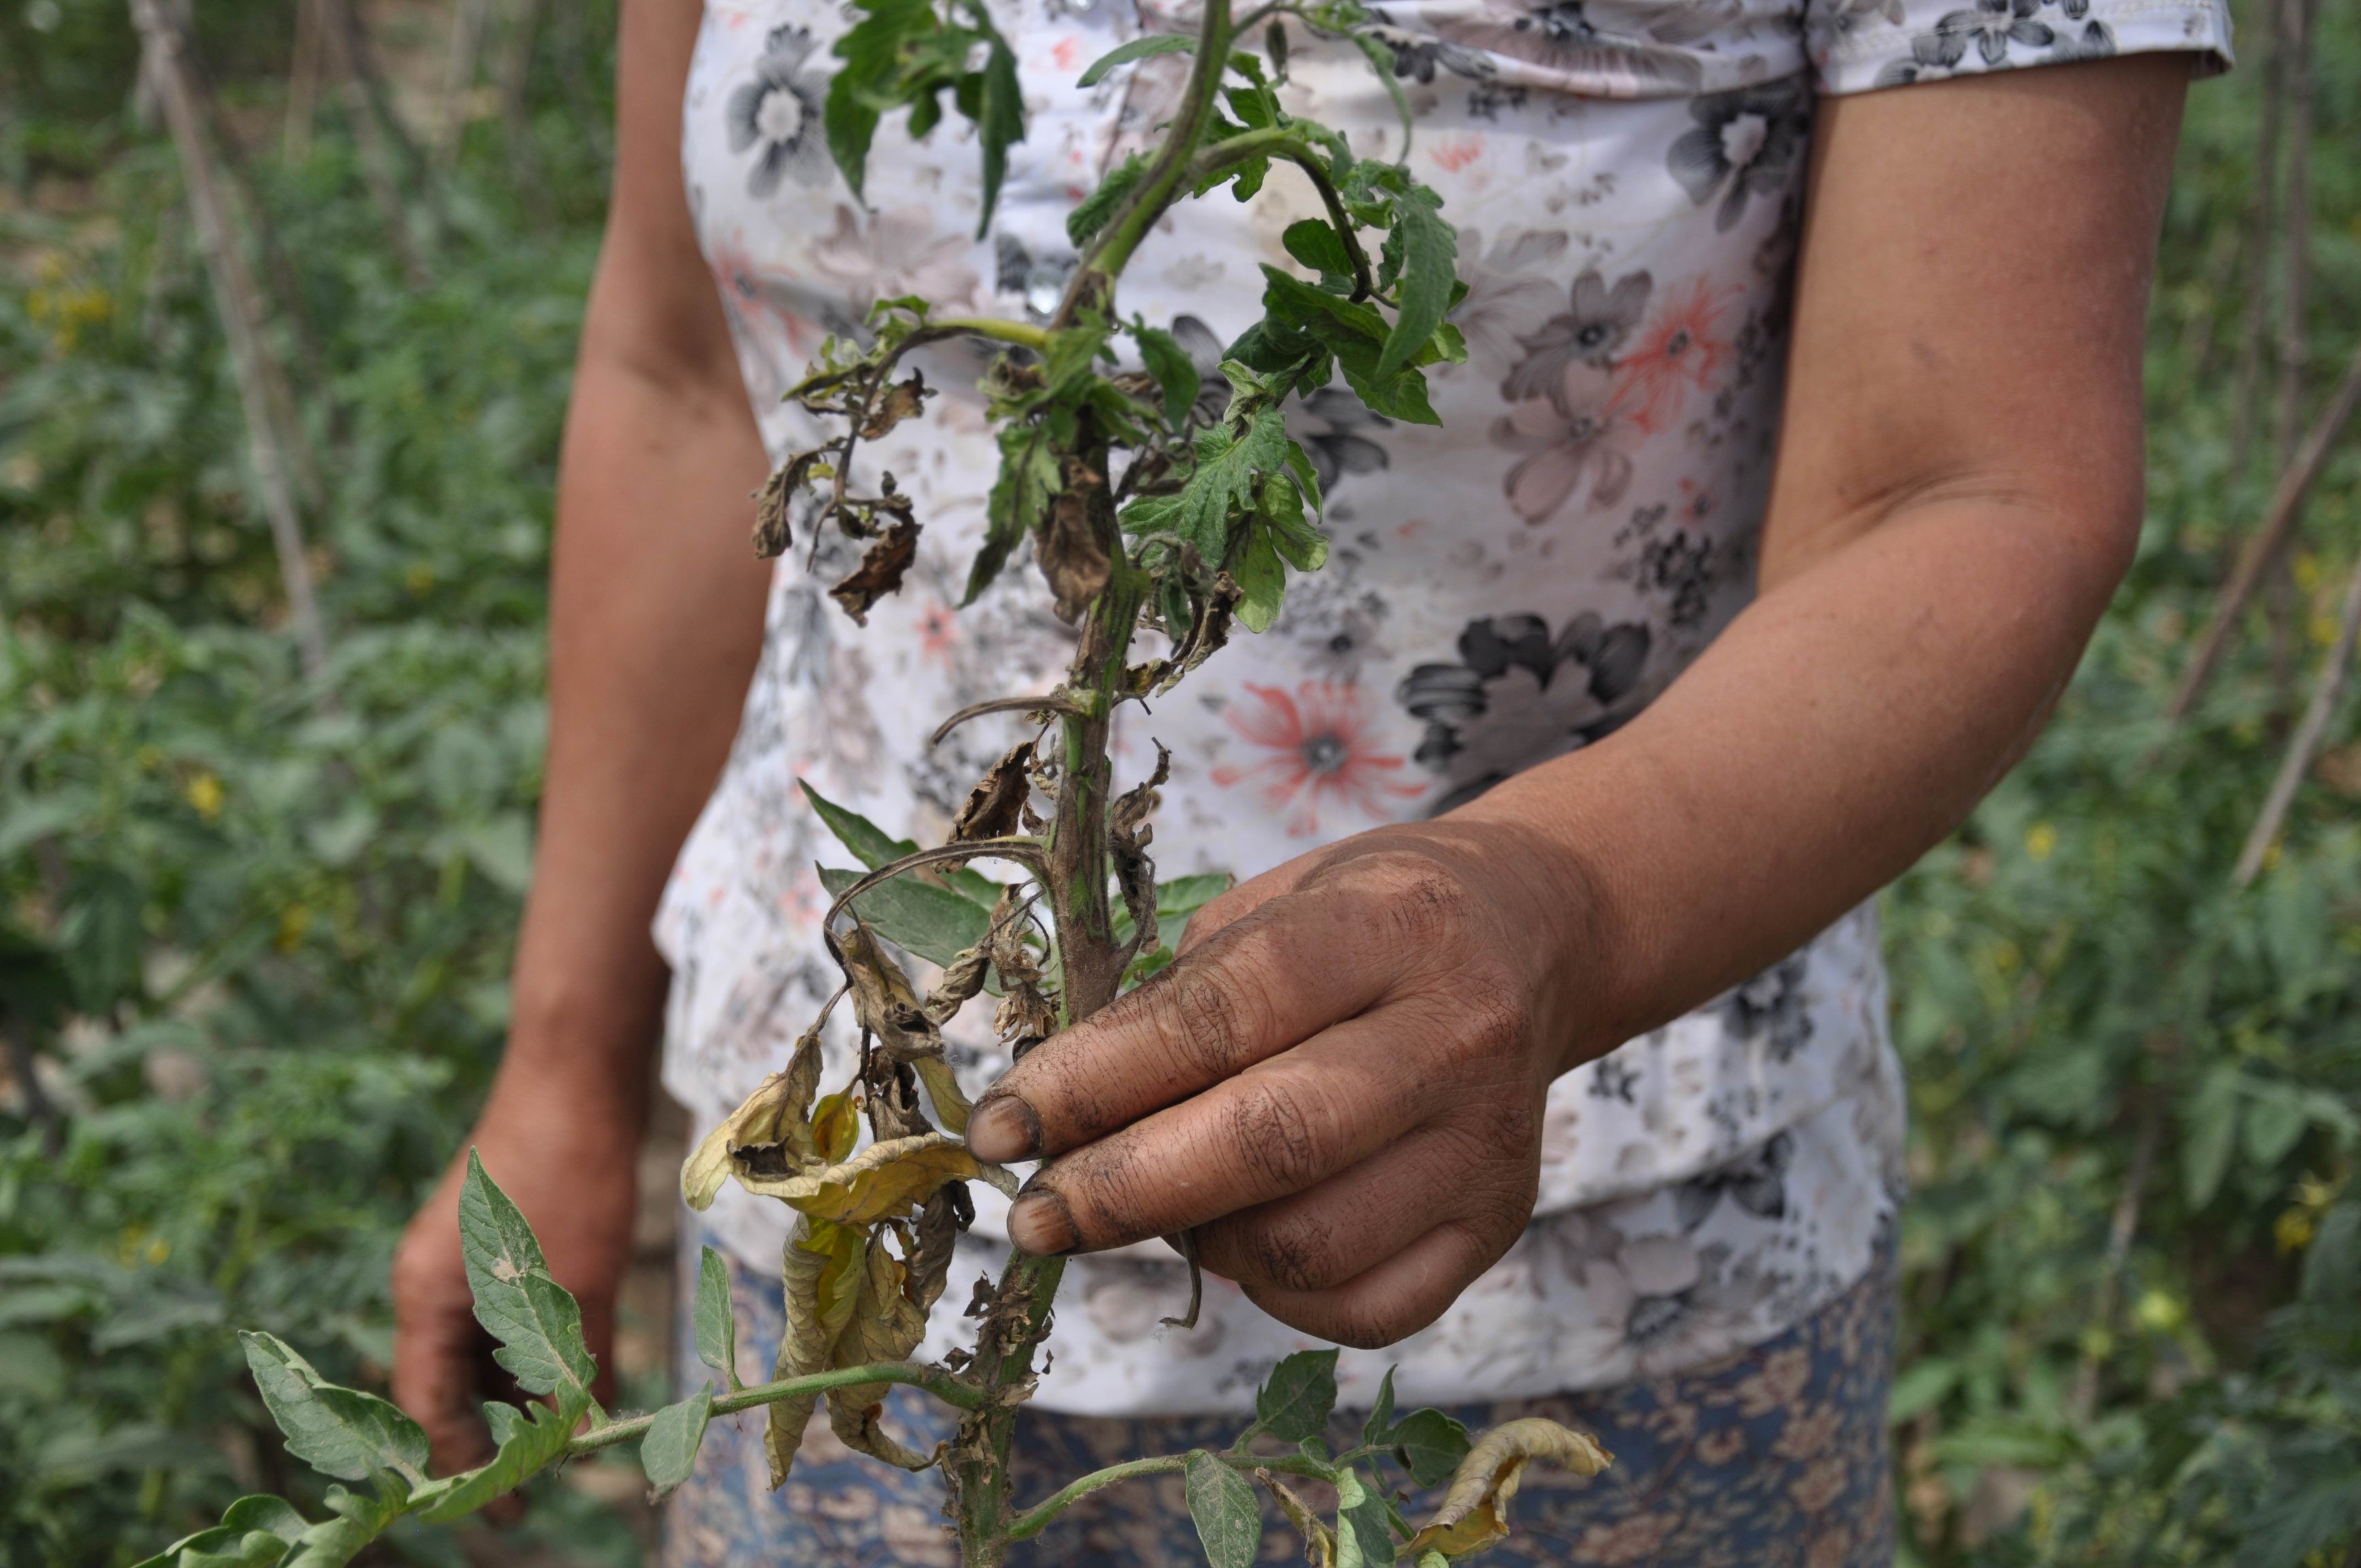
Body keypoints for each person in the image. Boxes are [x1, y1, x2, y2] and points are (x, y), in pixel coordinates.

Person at [391, 0, 2231, 1559]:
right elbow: (682, 377)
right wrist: (567, 1057)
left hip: (1565, 1283)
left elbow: (1978, 485)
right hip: (833, 1254)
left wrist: (1561, 906)